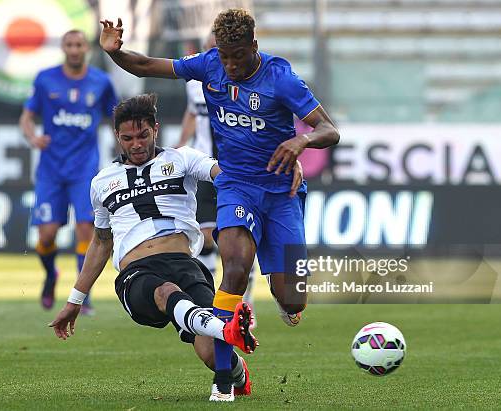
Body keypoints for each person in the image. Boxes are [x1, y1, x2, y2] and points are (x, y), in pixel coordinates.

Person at [99, 8, 339, 400]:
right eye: (225, 55)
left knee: (294, 295)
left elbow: (329, 129)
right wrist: (114, 52)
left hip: (281, 195)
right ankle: (224, 380)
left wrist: (301, 142)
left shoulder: (280, 77)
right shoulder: (209, 66)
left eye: (238, 57)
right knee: (235, 268)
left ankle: (283, 294)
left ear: (254, 47)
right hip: (236, 186)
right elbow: (143, 65)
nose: (230, 65)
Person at [49, 94, 267, 400]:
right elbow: (101, 241)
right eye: (127, 138)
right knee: (166, 293)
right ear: (117, 137)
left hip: (185, 265)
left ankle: (237, 373)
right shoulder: (102, 182)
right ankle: (225, 330)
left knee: (210, 352)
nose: (136, 144)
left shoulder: (182, 159)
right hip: (137, 275)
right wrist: (75, 299)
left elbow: (222, 174)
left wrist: (249, 187)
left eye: (143, 135)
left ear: (156, 129)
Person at [19, 29, 118, 313]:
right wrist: (32, 137)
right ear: (63, 48)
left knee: (86, 227)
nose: (74, 50)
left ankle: (81, 293)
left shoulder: (101, 81)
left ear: (86, 48)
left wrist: (121, 149)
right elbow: (26, 117)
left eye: (79, 45)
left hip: (85, 167)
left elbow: (115, 117)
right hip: (51, 168)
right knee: (46, 235)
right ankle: (50, 275)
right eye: (69, 45)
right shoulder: (45, 78)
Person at [176, 34, 260, 313]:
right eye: (211, 49)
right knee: (208, 235)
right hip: (205, 166)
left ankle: (244, 300)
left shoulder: (242, 86)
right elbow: (193, 113)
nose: (216, 56)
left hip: (237, 169)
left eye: (220, 50)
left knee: (235, 241)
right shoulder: (194, 85)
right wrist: (180, 143)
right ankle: (216, 301)